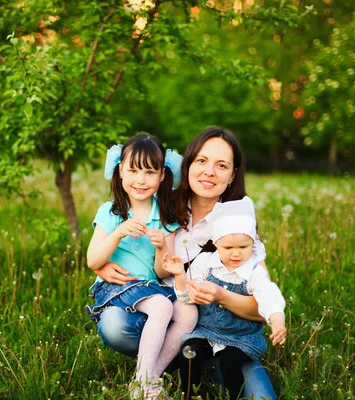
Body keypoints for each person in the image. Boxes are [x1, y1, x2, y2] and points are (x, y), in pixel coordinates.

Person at [92, 127, 279, 399]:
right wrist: (100, 264)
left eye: (221, 165)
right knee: (114, 325)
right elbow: (122, 234)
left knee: (261, 398)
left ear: (232, 176)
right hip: (168, 322)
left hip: (223, 335)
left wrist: (222, 295)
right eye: (201, 161)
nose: (209, 172)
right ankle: (160, 367)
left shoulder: (238, 223)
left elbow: (262, 308)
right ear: (187, 164)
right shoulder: (160, 204)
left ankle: (194, 362)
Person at [85, 134, 198, 398]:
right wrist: (117, 234)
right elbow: (93, 260)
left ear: (161, 176)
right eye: (133, 170)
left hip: (150, 287)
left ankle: (148, 377)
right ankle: (145, 383)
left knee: (188, 313)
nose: (141, 180)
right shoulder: (111, 211)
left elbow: (161, 272)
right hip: (117, 287)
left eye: (149, 172)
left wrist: (161, 248)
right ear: (120, 171)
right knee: (162, 305)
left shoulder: (165, 216)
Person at [163, 196, 286, 399]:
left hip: (240, 337)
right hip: (206, 331)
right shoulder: (204, 262)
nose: (236, 254)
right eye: (228, 248)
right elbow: (186, 298)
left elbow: (269, 295)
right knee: (189, 351)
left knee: (230, 363)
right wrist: (180, 275)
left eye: (243, 247)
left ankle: (234, 396)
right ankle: (189, 394)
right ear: (216, 242)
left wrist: (277, 319)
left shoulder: (253, 272)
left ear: (252, 244)